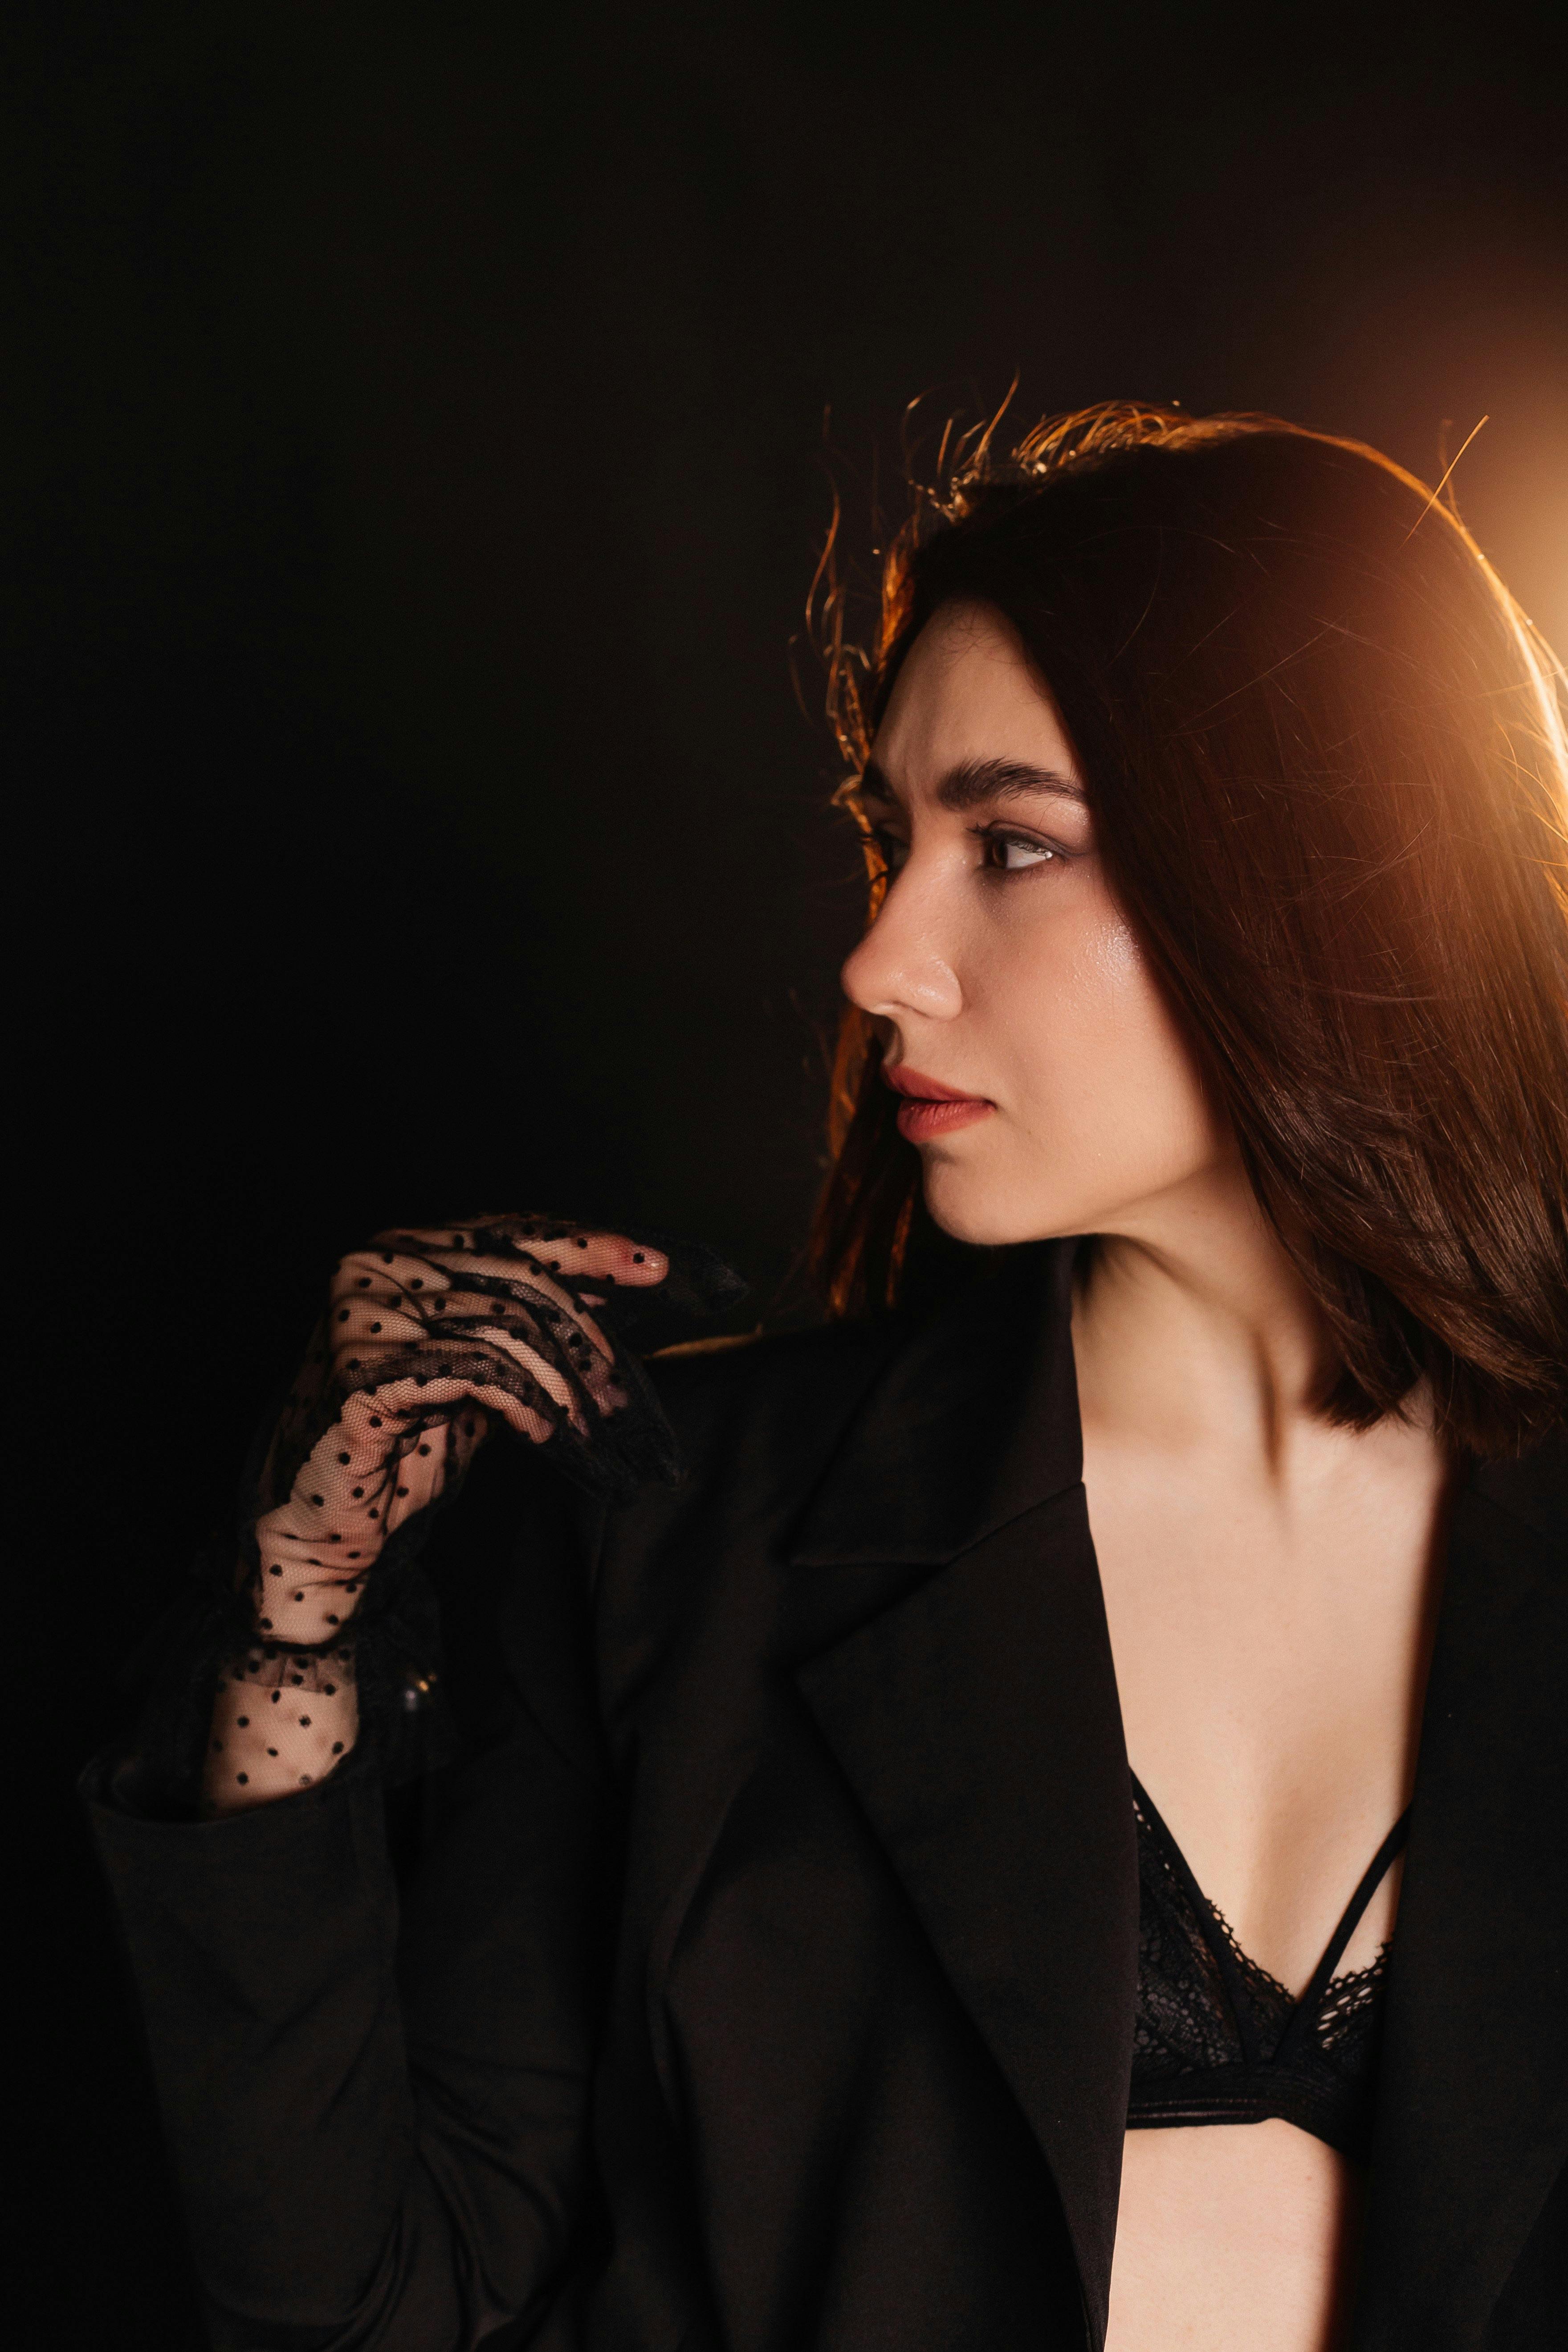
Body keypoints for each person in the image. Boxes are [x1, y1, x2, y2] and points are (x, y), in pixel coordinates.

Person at [85, 404, 1568, 2352]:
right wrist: (295, 1617)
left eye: (1009, 843)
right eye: (895, 840)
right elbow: (376, 2299)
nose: (879, 958)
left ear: (1311, 862)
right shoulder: (683, 1528)